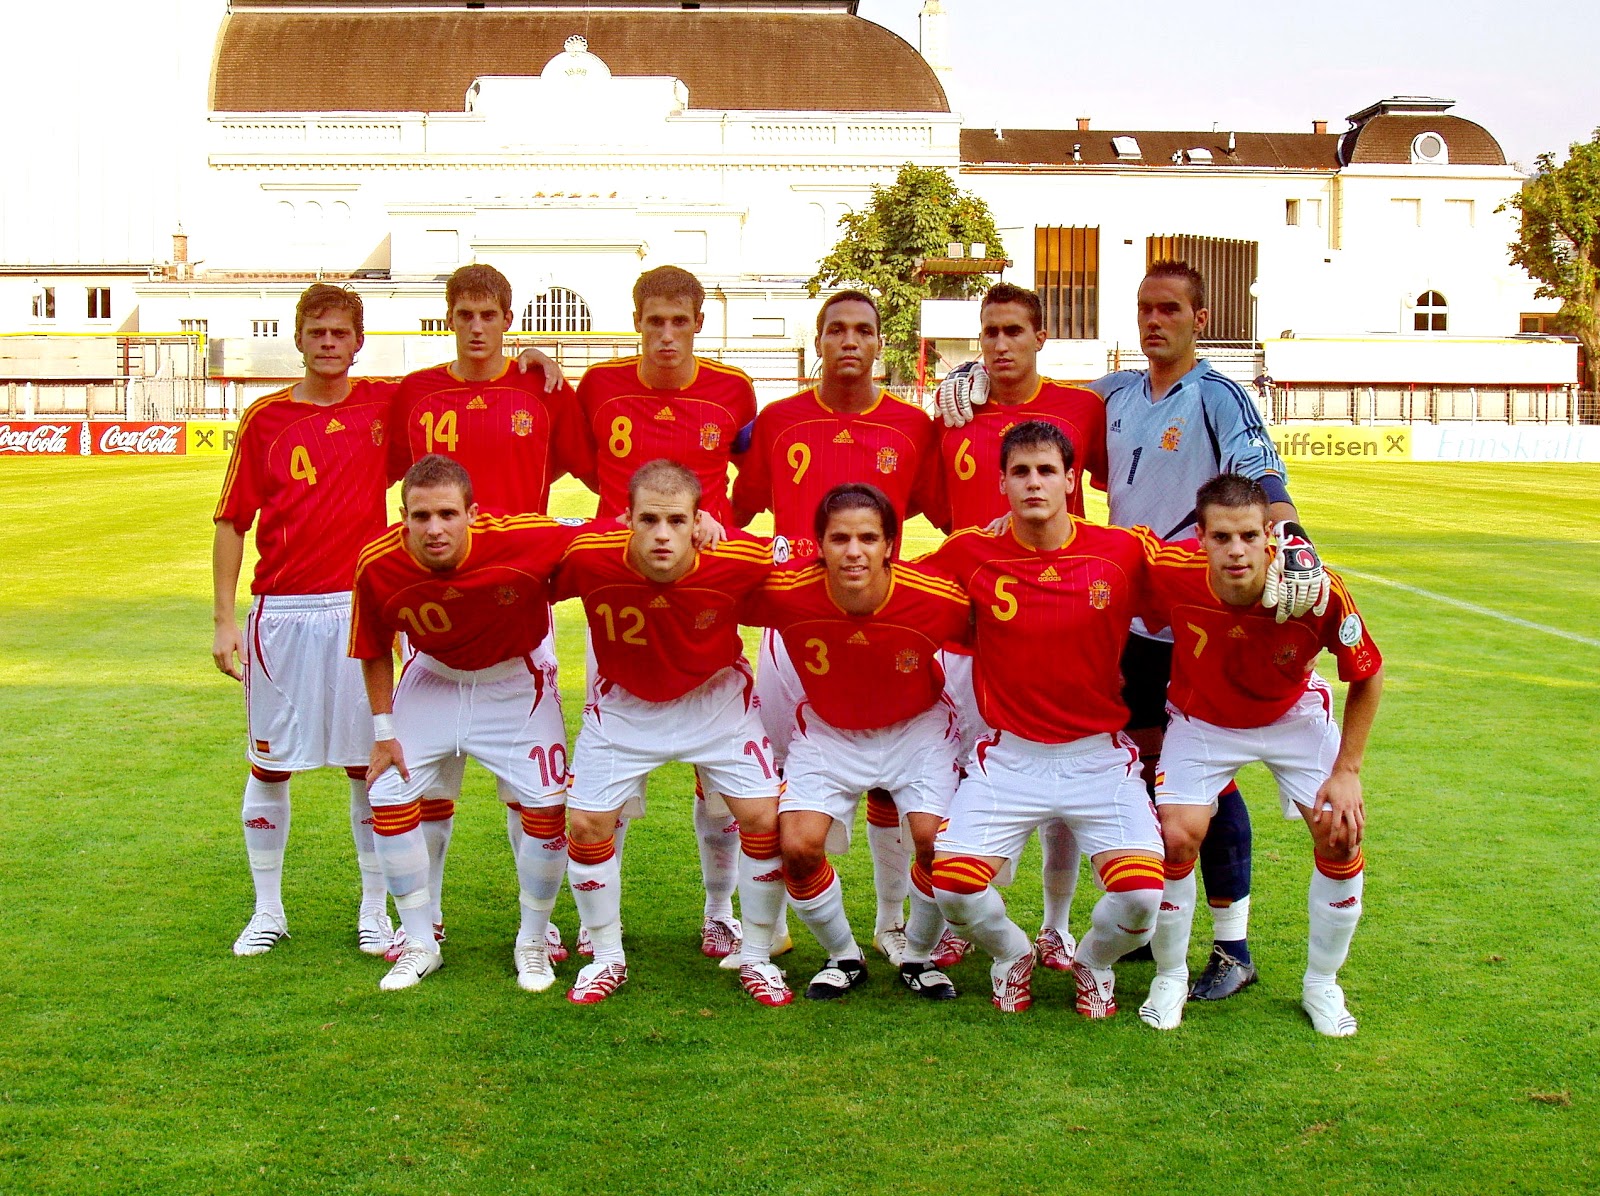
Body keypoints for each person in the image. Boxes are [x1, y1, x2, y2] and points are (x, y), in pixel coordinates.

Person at [936, 260, 1328, 1000]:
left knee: (1209, 777)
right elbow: (1037, 405)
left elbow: (1262, 472)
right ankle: (1143, 925)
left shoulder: (1218, 394)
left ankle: (1233, 944)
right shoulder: (1112, 393)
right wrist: (969, 373)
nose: (1155, 321)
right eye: (1146, 307)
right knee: (1158, 771)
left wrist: (1293, 536)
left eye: (1170, 309)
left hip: (1197, 611)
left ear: (1200, 319)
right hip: (1129, 613)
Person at [385, 263, 596, 963]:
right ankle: (428, 918)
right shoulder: (416, 392)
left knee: (528, 786)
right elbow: (382, 475)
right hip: (437, 610)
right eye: (464, 314)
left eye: (489, 315)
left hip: (518, 604)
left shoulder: (540, 389)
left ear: (509, 319)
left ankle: (539, 923)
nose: (477, 327)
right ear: (448, 318)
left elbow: (595, 470)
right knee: (426, 782)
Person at [732, 290, 946, 967]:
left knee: (887, 777)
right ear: (818, 340)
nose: (849, 340)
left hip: (880, 626)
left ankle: (891, 922)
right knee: (768, 781)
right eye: (836, 330)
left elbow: (947, 514)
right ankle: (766, 930)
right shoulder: (780, 420)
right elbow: (737, 511)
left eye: (862, 330)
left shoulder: (913, 427)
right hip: (793, 626)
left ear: (880, 343)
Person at [925, 421, 1167, 1017]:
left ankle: (1094, 962)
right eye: (1020, 472)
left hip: (1098, 755)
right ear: (1002, 484)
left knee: (1142, 900)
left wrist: (1277, 554)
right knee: (953, 887)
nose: (1034, 483)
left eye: (1046, 471)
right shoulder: (968, 553)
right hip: (1010, 756)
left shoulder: (1121, 551)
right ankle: (1012, 954)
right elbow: (890, 583)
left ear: (1070, 480)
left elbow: (1199, 582)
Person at [1137, 474, 1382, 1035]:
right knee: (1176, 836)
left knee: (1341, 832)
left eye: (1249, 535)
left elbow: (1368, 672)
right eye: (1221, 537)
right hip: (1202, 720)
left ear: (1271, 534)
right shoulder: (1171, 571)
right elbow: (1107, 548)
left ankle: (1322, 983)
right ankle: (1170, 975)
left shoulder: (1316, 588)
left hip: (1291, 716)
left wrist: (1348, 770)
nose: (1237, 551)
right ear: (1200, 537)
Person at [349, 455, 589, 992]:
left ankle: (533, 939)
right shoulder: (377, 562)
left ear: (472, 514)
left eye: (447, 514)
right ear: (403, 517)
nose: (434, 528)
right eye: (421, 516)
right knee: (386, 793)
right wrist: (384, 733)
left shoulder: (524, 536)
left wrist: (699, 525)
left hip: (514, 680)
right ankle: (420, 942)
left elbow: (607, 534)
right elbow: (372, 647)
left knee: (546, 807)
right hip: (433, 677)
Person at [573, 265, 759, 962]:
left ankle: (720, 912)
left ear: (700, 323)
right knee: (610, 780)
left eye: (680, 321)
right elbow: (583, 467)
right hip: (621, 595)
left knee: (720, 783)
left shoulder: (734, 389)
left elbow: (745, 479)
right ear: (637, 322)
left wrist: (713, 527)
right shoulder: (599, 385)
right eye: (655, 321)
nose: (667, 335)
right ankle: (600, 930)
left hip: (701, 593)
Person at [553, 460, 787, 1006]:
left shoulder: (738, 556)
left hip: (715, 701)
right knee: (586, 824)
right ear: (626, 520)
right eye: (650, 520)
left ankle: (754, 954)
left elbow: (813, 555)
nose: (663, 534)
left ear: (699, 521)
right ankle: (606, 957)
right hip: (627, 704)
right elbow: (517, 553)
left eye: (677, 521)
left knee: (762, 818)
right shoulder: (587, 555)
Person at [927, 281, 1109, 974]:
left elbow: (1111, 492)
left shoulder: (1083, 408)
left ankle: (1057, 926)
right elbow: (941, 514)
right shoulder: (954, 412)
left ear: (1041, 338)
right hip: (970, 629)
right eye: (990, 332)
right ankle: (969, 913)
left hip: (1060, 623)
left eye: (1013, 331)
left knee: (1063, 783)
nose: (1001, 344)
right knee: (967, 773)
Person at [212, 283, 397, 958]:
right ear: (297, 339)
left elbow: (458, 387)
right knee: (269, 767)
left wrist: (533, 361)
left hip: (357, 610)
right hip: (282, 614)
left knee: (366, 765)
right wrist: (223, 620)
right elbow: (232, 522)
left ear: (359, 341)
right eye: (316, 331)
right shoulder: (265, 418)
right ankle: (268, 911)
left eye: (340, 332)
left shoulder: (384, 404)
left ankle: (374, 911)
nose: (328, 342)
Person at [743, 483, 972, 1001]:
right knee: (798, 847)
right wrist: (700, 527)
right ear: (819, 544)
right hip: (830, 730)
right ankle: (843, 956)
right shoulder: (786, 590)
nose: (853, 551)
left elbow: (1004, 629)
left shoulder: (934, 597)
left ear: (890, 544)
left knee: (936, 845)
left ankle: (918, 956)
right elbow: (711, 580)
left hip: (917, 730)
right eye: (839, 538)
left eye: (868, 538)